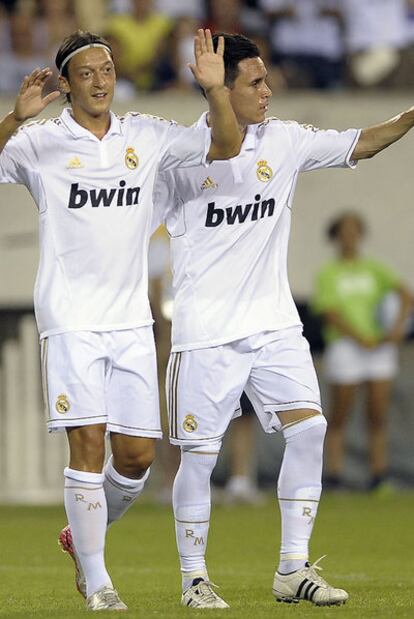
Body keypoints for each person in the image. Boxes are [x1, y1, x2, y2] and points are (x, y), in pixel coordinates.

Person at [153, 32, 414, 608]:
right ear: (221, 85)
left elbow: (364, 143)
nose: (269, 92)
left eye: (268, 79)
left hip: (273, 325)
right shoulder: (179, 154)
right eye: (256, 82)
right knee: (199, 455)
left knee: (311, 428)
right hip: (206, 333)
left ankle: (292, 569)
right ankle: (194, 577)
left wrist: (412, 114)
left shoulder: (287, 141)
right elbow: (204, 158)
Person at [0, 28, 241, 611]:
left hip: (131, 321)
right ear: (66, 83)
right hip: (71, 319)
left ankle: (83, 540)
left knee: (136, 458)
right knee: (87, 443)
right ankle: (98, 581)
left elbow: (228, 146)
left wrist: (215, 92)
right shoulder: (40, 143)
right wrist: (13, 118)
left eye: (106, 70)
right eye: (86, 73)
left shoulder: (147, 136)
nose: (100, 81)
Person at [312, 212, 412, 491]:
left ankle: (379, 474)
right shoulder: (329, 273)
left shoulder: (375, 268)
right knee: (340, 412)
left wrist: (397, 328)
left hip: (378, 348)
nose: (349, 236)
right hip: (346, 347)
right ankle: (335, 474)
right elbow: (330, 312)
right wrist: (359, 338)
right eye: (344, 231)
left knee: (378, 413)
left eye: (354, 230)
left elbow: (405, 295)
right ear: (335, 237)